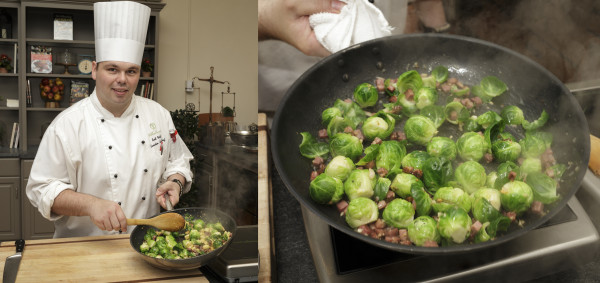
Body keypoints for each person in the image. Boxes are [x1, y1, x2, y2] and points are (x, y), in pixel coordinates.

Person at [26, 1, 194, 238]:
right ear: (94, 70)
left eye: (131, 71)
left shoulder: (158, 114)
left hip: (145, 244)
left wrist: (175, 182)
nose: (122, 79)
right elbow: (42, 190)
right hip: (83, 249)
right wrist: (91, 204)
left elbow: (178, 162)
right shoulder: (68, 124)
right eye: (112, 69)